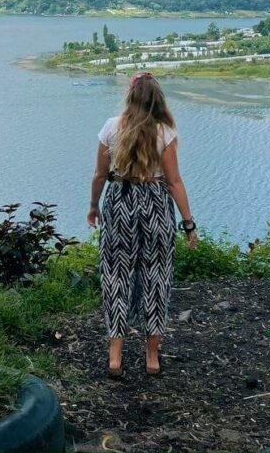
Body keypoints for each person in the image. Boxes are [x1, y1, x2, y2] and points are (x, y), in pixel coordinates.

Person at [88, 71, 197, 378]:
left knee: (116, 276)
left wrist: (94, 206)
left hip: (120, 201)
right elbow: (174, 182)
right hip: (156, 207)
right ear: (158, 100)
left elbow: (99, 175)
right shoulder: (165, 133)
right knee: (156, 278)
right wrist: (188, 223)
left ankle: (115, 358)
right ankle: (151, 358)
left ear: (130, 96)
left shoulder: (111, 127)